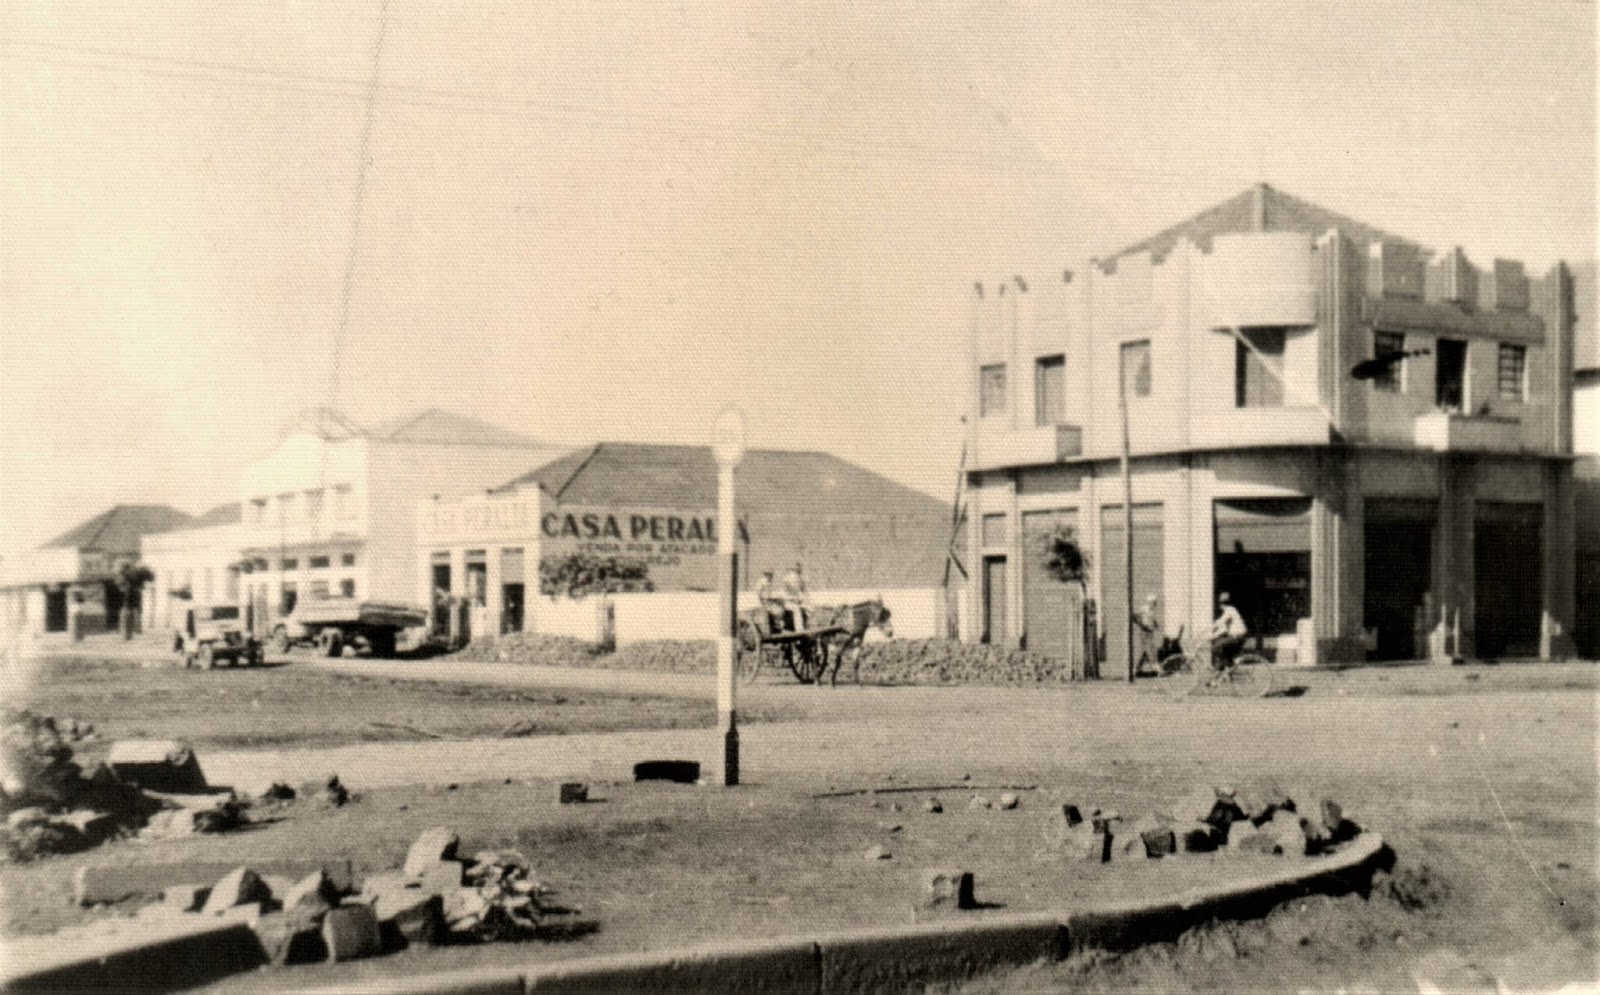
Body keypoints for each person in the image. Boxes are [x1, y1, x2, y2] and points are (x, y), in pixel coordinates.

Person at [1211, 592, 1248, 669]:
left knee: (1216, 646)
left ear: (1221, 604)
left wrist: (1211, 629)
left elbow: (1221, 622)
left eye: (1220, 604)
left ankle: (1220, 669)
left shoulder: (1230, 610)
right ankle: (1228, 674)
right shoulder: (1231, 610)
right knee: (1226, 654)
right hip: (1239, 637)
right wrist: (1213, 635)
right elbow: (1223, 629)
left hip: (1237, 637)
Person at [1133, 594, 1162, 675]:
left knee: (1145, 651)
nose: (1155, 604)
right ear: (1149, 602)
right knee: (1151, 650)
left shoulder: (1152, 611)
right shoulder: (1144, 609)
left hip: (1149, 632)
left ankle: (1137, 669)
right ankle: (1156, 668)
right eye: (1154, 602)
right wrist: (1141, 625)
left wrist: (1156, 625)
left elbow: (1152, 620)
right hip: (1144, 632)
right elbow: (1134, 616)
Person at [781, 562, 810, 632]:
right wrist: (794, 599)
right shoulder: (790, 579)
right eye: (797, 570)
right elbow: (785, 594)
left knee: (808, 609)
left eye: (800, 570)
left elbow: (804, 592)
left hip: (797, 601)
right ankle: (799, 630)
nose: (799, 572)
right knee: (797, 610)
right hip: (789, 602)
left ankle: (808, 627)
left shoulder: (800, 579)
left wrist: (805, 600)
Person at [755, 570, 785, 634]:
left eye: (772, 575)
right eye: (770, 575)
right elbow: (758, 593)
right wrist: (763, 600)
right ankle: (776, 627)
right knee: (776, 610)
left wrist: (774, 598)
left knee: (780, 609)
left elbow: (770, 593)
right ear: (766, 575)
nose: (771, 577)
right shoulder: (762, 582)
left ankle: (776, 626)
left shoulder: (769, 582)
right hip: (763, 602)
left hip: (768, 602)